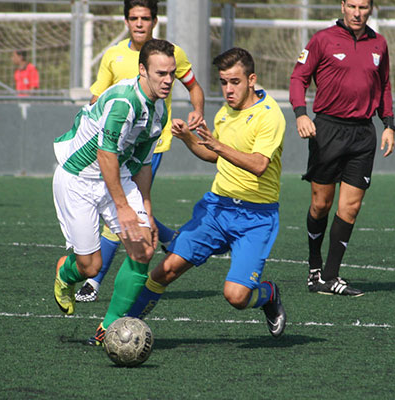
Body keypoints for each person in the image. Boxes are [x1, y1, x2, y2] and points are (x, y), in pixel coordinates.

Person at [112, 47, 288, 342]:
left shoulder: (270, 116)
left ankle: (269, 294)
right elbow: (214, 156)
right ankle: (123, 330)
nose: (228, 89)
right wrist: (188, 138)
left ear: (252, 80)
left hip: (256, 217)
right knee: (164, 271)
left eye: (235, 82)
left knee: (236, 296)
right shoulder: (224, 113)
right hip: (217, 209)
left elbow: (258, 165)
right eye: (223, 82)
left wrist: (217, 146)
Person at [75, 0, 205, 303]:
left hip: (150, 146)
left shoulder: (173, 53)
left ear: (155, 21)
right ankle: (173, 238)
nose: (139, 24)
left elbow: (194, 85)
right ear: (126, 21)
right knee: (128, 206)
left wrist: (197, 109)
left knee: (121, 210)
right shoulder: (114, 56)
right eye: (133, 18)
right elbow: (97, 98)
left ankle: (94, 281)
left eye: (145, 18)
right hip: (112, 146)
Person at [52, 39, 176, 343]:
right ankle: (65, 274)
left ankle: (108, 328)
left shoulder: (158, 109)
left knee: (144, 248)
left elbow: (144, 164)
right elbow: (104, 154)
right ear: (143, 70)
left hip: (116, 176)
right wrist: (122, 208)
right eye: (161, 73)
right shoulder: (124, 101)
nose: (168, 80)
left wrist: (146, 209)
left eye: (171, 73)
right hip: (79, 179)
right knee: (90, 266)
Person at [289, 0, 395, 296]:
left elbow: (384, 84)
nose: (357, 12)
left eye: (363, 6)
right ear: (342, 6)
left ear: (371, 8)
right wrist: (300, 114)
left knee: (351, 206)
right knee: (321, 204)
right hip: (327, 131)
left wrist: (388, 124)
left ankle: (331, 276)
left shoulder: (380, 44)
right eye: (352, 6)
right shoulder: (322, 39)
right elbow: (299, 78)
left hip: (363, 134)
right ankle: (314, 269)